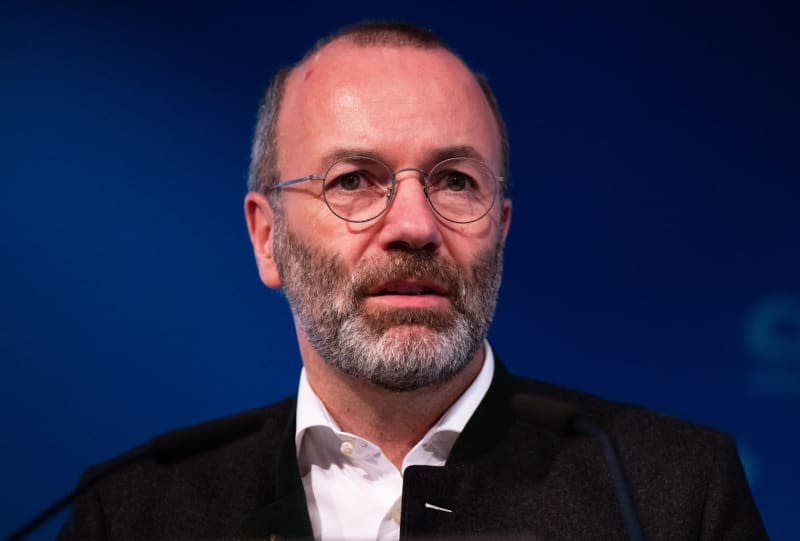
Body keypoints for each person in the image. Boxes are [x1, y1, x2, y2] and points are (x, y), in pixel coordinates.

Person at [59, 21, 767, 540]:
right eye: (355, 180)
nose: (415, 224)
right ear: (267, 236)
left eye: (455, 181)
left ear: (503, 226)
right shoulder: (137, 510)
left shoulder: (669, 494)